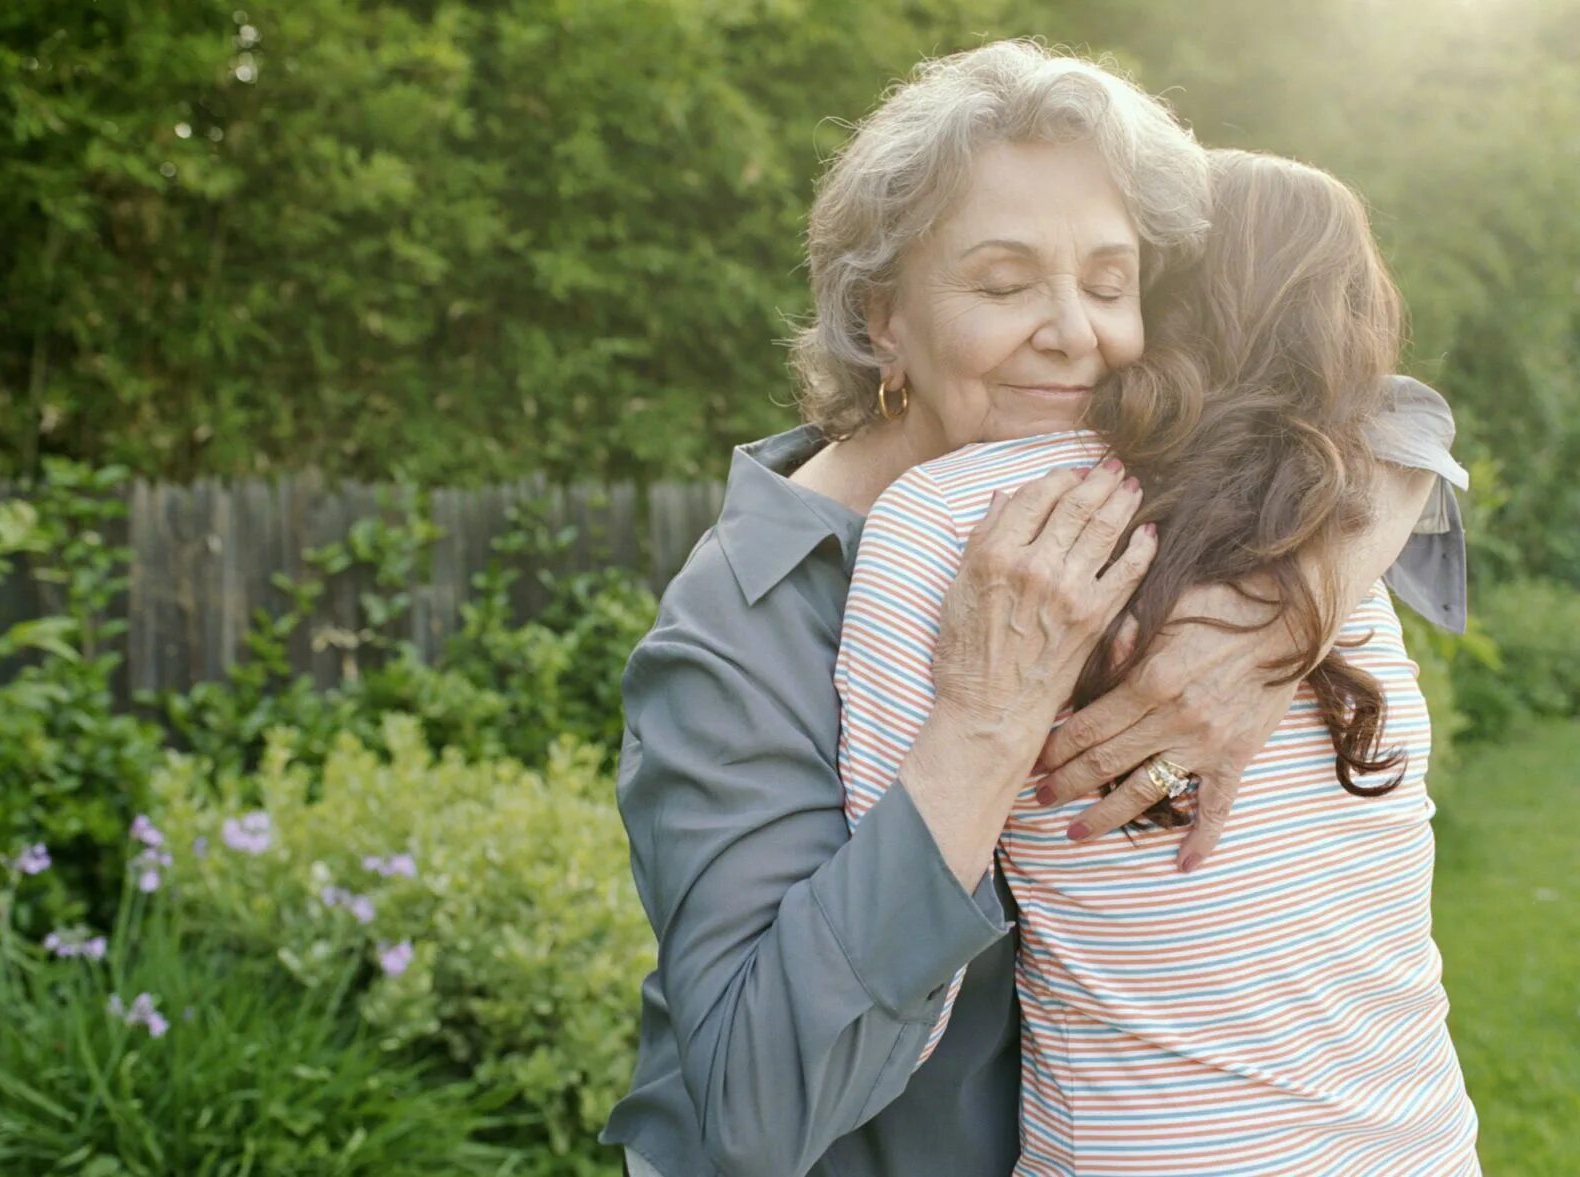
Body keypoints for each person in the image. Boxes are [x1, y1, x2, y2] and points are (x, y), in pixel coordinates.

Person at [601, 42, 1468, 1177]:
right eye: (1004, 285)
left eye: (1111, 284)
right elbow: (746, 1117)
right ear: (884, 320)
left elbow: (1389, 415)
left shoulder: (1120, 478)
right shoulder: (741, 624)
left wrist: (1279, 620)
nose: (1075, 333)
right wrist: (984, 724)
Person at [837, 147, 1478, 1175]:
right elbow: (1404, 416)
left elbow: (881, 945)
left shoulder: (956, 518)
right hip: (1421, 1140)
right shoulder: (1342, 536)